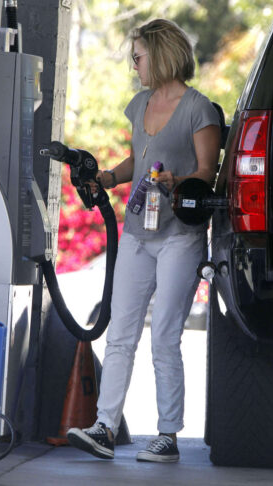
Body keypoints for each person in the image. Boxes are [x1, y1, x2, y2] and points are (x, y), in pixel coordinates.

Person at [67, 18, 221, 463]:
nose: (134, 65)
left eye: (137, 57)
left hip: (179, 236)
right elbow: (139, 156)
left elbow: (207, 171)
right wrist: (110, 177)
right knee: (120, 334)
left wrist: (181, 179)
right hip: (137, 231)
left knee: (165, 336)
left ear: (160, 52)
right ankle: (104, 426)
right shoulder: (140, 104)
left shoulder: (198, 109)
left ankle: (167, 435)